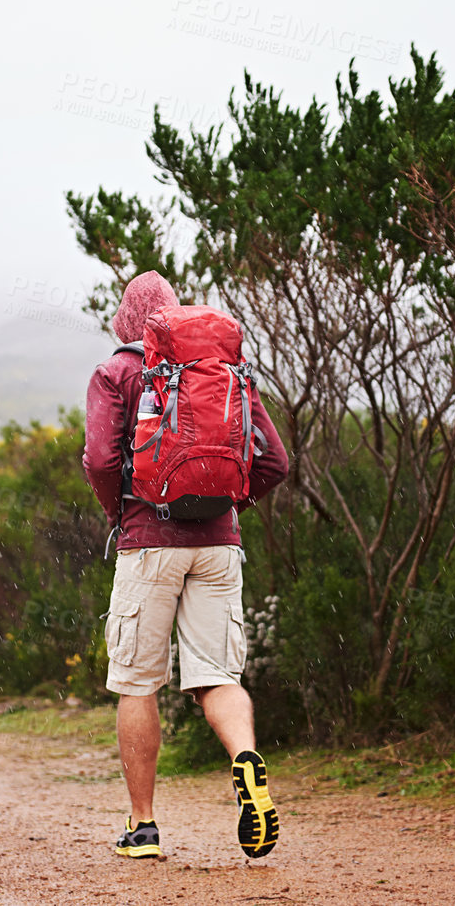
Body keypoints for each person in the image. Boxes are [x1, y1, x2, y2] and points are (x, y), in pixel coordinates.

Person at [82, 270, 290, 861]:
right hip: (219, 544)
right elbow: (273, 461)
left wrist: (121, 514)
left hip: (148, 543)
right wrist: (226, 506)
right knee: (218, 676)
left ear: (128, 323)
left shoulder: (116, 373)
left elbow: (100, 459)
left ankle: (143, 827)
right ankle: (246, 759)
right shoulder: (223, 371)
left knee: (136, 682)